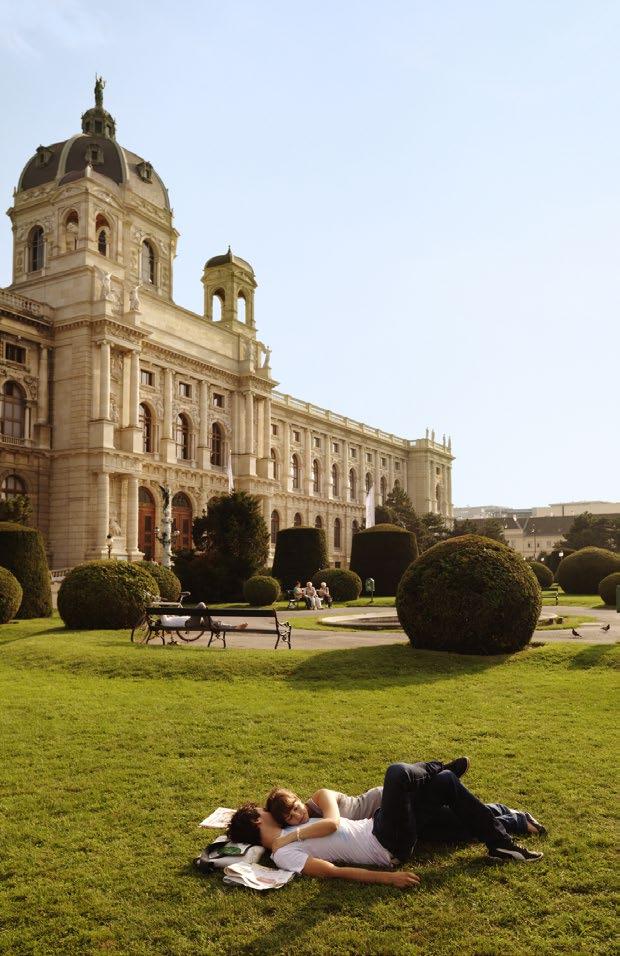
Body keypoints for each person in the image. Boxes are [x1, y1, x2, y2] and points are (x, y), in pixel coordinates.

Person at [227, 758, 544, 889]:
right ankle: (432, 769)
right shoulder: (283, 853)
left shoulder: (285, 832)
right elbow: (334, 871)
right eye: (260, 810)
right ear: (258, 820)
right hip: (385, 844)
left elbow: (328, 821)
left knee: (447, 781)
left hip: (378, 822)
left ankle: (500, 844)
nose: (265, 809)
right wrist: (387, 879)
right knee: (397, 773)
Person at [266, 764, 547, 842]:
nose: (298, 814)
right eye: (290, 816)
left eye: (294, 805)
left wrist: (290, 836)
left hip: (388, 801)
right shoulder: (300, 826)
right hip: (387, 822)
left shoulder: (319, 797)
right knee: (449, 824)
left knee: (446, 811)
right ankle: (504, 813)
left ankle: (436, 774)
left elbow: (335, 823)